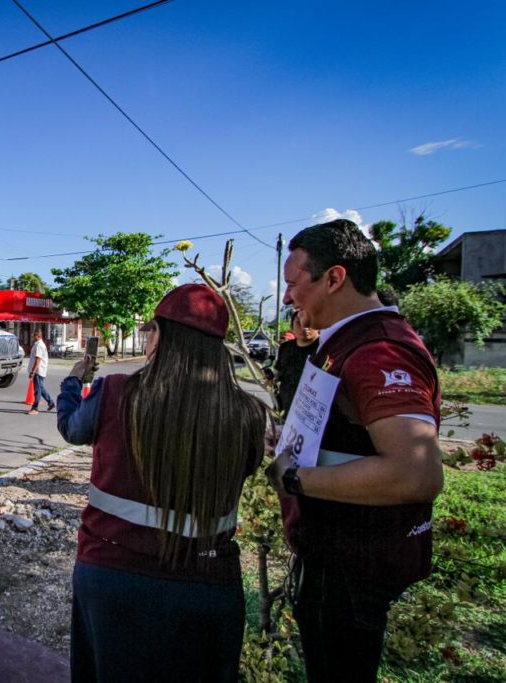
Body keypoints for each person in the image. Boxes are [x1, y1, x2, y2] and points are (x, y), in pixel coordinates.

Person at [57, 284, 267, 682]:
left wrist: (72, 381)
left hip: (111, 576)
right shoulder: (247, 415)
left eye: (151, 329)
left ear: (162, 337)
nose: (148, 338)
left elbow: (72, 427)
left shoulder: (117, 392)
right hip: (206, 586)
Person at [266, 219, 443, 682]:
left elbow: (415, 474)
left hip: (350, 568)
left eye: (292, 284)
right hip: (336, 559)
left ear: (334, 278)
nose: (287, 298)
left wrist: (293, 477)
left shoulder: (378, 351)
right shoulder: (346, 343)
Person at [272, 311, 319, 415]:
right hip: (286, 407)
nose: (304, 327)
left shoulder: (324, 348)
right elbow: (278, 371)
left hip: (312, 410)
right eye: (298, 323)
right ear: (292, 327)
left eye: (308, 323)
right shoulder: (285, 347)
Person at [27, 330, 54, 415]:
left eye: (34, 336)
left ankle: (35, 408)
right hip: (39, 370)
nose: (32, 338)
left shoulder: (39, 345)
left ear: (38, 336)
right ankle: (51, 403)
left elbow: (38, 360)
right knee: (41, 388)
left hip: (38, 371)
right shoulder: (38, 344)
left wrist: (33, 371)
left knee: (37, 390)